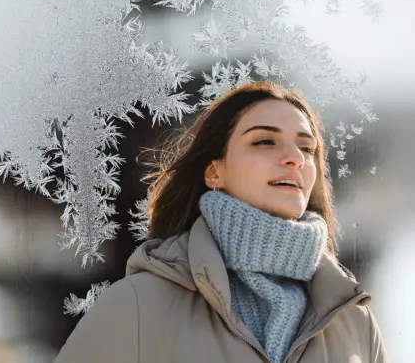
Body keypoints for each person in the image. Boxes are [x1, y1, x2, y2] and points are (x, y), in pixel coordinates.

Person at [54, 81, 389, 363]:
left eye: (306, 147)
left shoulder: (355, 322)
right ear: (215, 171)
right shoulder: (137, 307)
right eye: (264, 141)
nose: (295, 158)